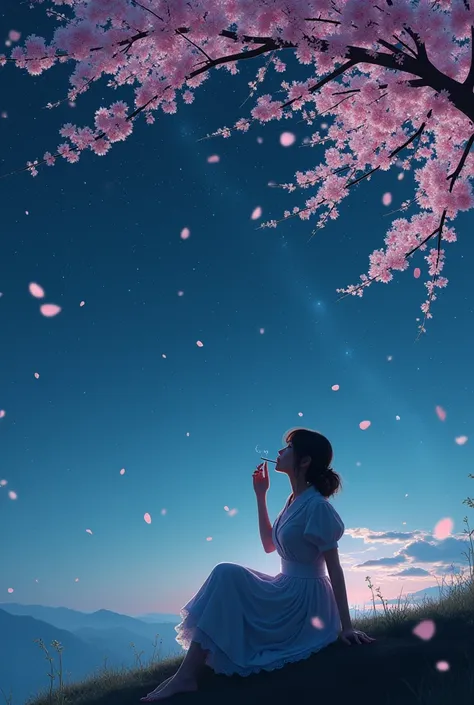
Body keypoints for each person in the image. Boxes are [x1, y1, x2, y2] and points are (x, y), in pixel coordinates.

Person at [140, 427, 375, 702]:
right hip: (286, 586)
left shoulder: (317, 507)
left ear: (305, 460)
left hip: (306, 601)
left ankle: (186, 676)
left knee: (226, 574)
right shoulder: (293, 502)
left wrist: (346, 627)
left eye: (287, 447)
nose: (279, 452)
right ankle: (187, 673)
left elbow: (334, 568)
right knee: (225, 573)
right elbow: (268, 545)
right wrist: (260, 494)